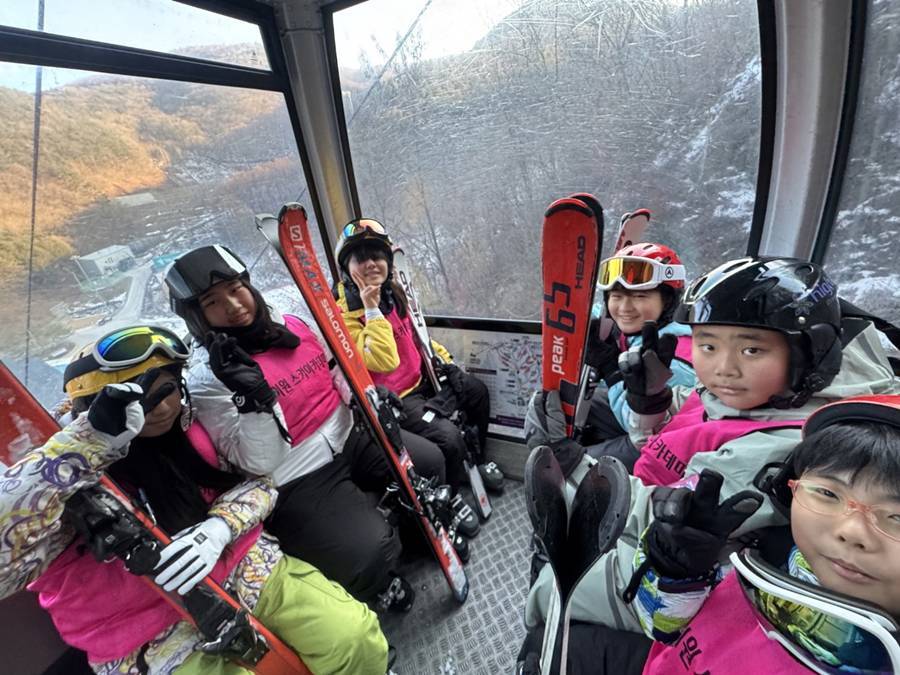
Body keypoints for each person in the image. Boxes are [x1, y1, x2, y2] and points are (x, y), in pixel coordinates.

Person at [523, 256, 898, 642]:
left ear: (810, 352)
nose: (724, 368)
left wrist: (569, 466)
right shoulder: (766, 392)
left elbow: (672, 517)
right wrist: (650, 401)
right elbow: (696, 417)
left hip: (678, 561)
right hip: (653, 509)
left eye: (752, 350)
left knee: (548, 589)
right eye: (707, 345)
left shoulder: (785, 446)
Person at [0, 326, 388, 674]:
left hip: (241, 568)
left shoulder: (189, 427)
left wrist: (218, 529)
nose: (163, 408)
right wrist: (85, 446)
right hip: (142, 633)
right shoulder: (55, 480)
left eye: (168, 390)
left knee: (354, 638)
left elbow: (259, 482)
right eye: (145, 398)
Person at [165, 244, 449, 608]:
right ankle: (377, 584)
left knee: (430, 461)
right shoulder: (207, 379)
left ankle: (420, 536)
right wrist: (255, 403)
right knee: (368, 550)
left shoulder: (292, 325)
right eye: (213, 302)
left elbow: (334, 370)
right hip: (297, 472)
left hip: (350, 433)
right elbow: (257, 462)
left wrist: (364, 396)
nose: (233, 306)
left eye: (236, 290)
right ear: (197, 316)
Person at [631, 394, 900, 673]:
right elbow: (662, 628)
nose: (850, 531)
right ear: (787, 490)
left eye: (896, 516)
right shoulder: (768, 556)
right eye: (827, 493)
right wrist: (675, 571)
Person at [332, 218, 503, 531]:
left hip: (423, 378)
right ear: (347, 268)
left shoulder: (393, 294)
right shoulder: (344, 317)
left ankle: (476, 461)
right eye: (361, 258)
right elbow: (382, 360)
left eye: (377, 255)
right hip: (399, 398)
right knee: (448, 437)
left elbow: (418, 337)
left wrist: (446, 362)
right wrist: (371, 310)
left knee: (476, 391)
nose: (371, 263)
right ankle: (451, 496)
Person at [579, 242, 697, 468]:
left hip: (663, 447)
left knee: (576, 464)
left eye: (640, 296)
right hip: (640, 424)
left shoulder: (671, 358)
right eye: (616, 296)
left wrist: (611, 370)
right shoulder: (641, 333)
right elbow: (601, 313)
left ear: (668, 301)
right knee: (579, 404)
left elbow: (642, 428)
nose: (625, 307)